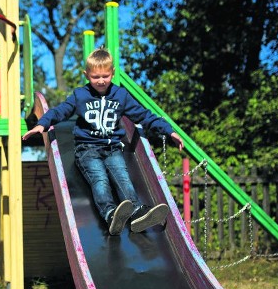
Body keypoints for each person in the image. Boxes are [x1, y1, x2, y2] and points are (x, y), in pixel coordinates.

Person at [23, 47, 184, 235]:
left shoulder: (121, 96)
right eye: (95, 77)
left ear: (113, 73)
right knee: (99, 179)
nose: (100, 81)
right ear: (86, 75)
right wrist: (42, 124)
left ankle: (137, 212)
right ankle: (109, 213)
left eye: (105, 76)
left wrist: (169, 131)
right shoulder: (80, 95)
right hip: (87, 149)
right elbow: (60, 111)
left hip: (113, 148)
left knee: (123, 178)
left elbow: (143, 115)